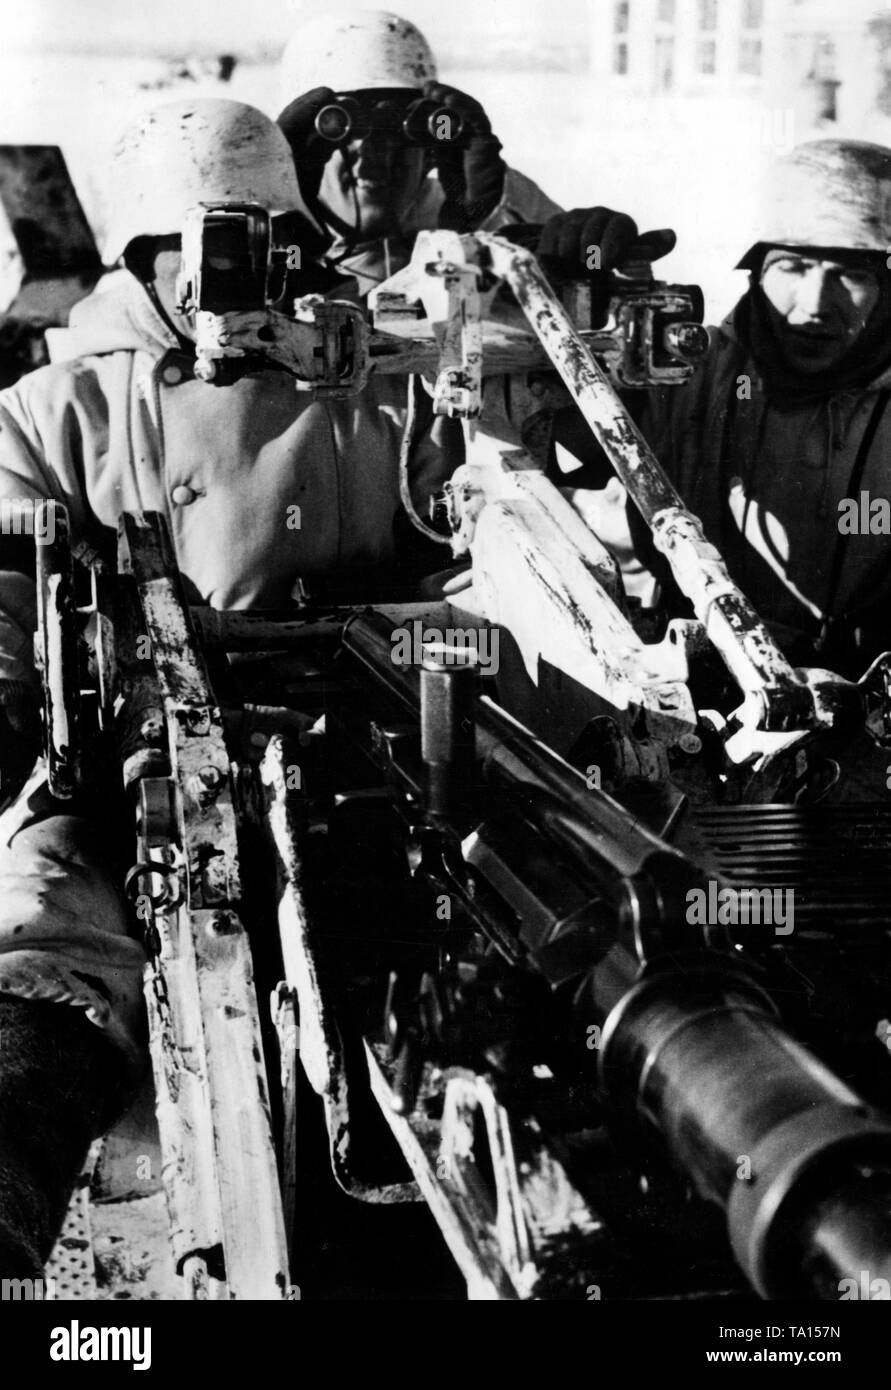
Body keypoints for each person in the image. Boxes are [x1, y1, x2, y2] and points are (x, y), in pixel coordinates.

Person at [0, 94, 469, 1278]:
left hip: (369, 753)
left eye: (271, 244)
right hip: (126, 766)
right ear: (143, 259)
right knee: (45, 917)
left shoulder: (386, 388)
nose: (240, 280)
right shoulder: (60, 412)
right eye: (208, 247)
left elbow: (479, 545)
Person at [551, 139, 891, 682]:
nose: (814, 304)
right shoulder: (685, 373)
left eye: (851, 275)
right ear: (755, 271)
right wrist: (571, 291)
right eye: (793, 266)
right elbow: (560, 446)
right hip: (695, 678)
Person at [276, 9, 674, 303]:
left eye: (400, 134)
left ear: (432, 150)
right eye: (346, 133)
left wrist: (486, 229)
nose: (376, 160)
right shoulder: (265, 246)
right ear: (305, 150)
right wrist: (283, 230)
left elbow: (579, 278)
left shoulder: (487, 204)